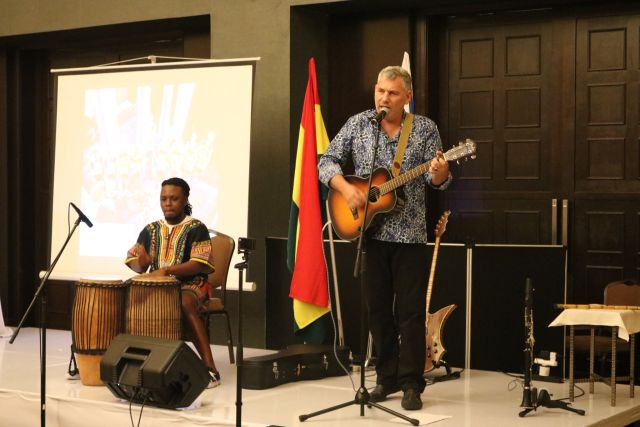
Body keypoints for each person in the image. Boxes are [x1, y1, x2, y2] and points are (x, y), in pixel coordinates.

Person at [318, 66, 451, 410]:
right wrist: (346, 189)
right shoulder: (358, 123)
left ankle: (411, 383)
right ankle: (386, 377)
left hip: (409, 237)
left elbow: (435, 182)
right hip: (368, 233)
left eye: (392, 93)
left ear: (407, 96)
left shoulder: (423, 129)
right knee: (377, 310)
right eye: (380, 91)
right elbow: (326, 161)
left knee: (408, 313)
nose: (383, 98)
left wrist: (440, 172)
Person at [125, 177, 220, 387]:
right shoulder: (150, 229)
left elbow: (199, 264)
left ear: (185, 199)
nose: (168, 203)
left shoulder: (196, 227)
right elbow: (134, 261)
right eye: (163, 199)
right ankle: (131, 364)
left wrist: (166, 269)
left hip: (192, 284)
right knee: (125, 297)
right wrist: (140, 264)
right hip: (159, 287)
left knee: (184, 302)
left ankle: (210, 369)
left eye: (174, 198)